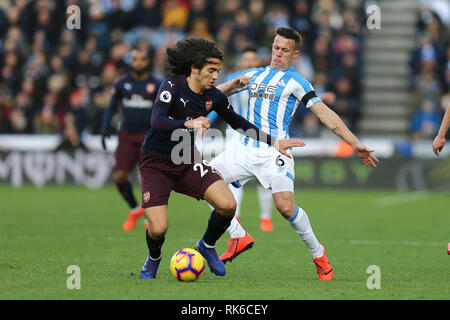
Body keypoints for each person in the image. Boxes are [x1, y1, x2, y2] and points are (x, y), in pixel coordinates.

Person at [210, 27, 379, 281]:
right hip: (241, 149)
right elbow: (216, 93)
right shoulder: (252, 74)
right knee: (201, 181)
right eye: (275, 48)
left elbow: (324, 114)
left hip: (275, 150)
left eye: (284, 50)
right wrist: (230, 85)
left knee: (285, 207)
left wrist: (354, 143)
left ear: (295, 54)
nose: (278, 54)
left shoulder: (297, 82)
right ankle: (237, 235)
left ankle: (318, 253)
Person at [137, 37, 305, 279]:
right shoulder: (172, 86)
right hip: (156, 163)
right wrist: (190, 123)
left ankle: (206, 245)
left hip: (187, 161)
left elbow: (239, 124)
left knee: (227, 205)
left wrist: (275, 142)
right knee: (159, 229)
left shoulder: (213, 96)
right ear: (194, 69)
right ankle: (153, 259)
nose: (216, 76)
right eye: (211, 70)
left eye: (218, 70)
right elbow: (156, 121)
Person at [207, 47, 275, 234]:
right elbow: (217, 103)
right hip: (235, 135)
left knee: (263, 179)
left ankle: (265, 218)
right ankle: (235, 216)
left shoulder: (264, 79)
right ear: (241, 62)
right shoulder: (233, 80)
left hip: (259, 134)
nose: (249, 62)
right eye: (246, 59)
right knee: (233, 177)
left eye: (253, 59)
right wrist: (206, 121)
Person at [101, 49, 161, 231]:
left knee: (147, 178)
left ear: (147, 61)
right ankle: (135, 209)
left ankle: (148, 216)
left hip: (148, 136)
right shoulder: (121, 83)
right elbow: (111, 107)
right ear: (130, 62)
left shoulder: (156, 84)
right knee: (119, 176)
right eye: (135, 59)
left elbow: (163, 111)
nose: (139, 62)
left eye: (142, 58)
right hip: (126, 135)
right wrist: (105, 128)